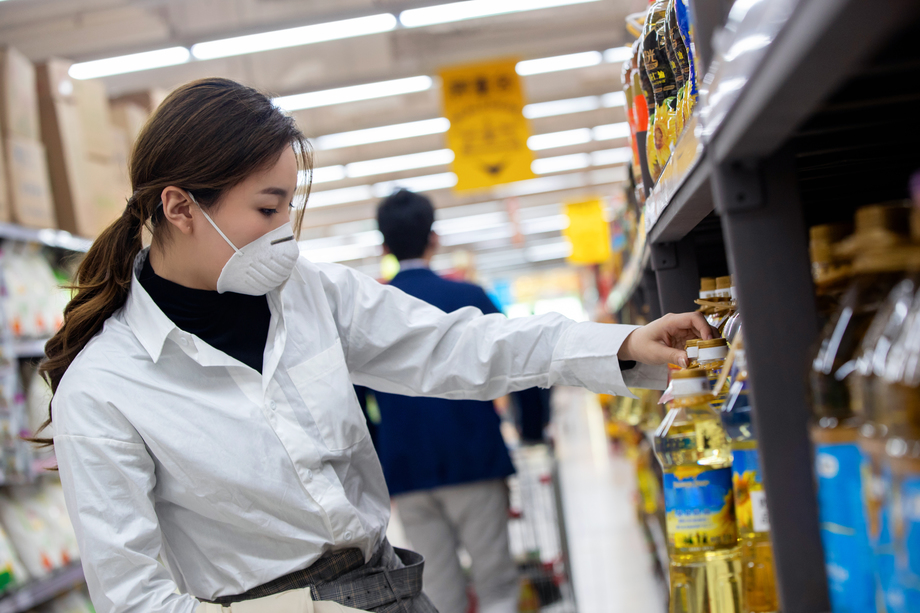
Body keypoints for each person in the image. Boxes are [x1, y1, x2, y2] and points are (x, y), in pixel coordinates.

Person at [35, 77, 709, 613]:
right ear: (181, 208)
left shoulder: (307, 292)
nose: (284, 235)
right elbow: (132, 597)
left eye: (289, 208)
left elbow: (454, 344)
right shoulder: (104, 386)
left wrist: (619, 341)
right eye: (267, 210)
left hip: (389, 588)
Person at [372, 189, 517, 613]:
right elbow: (517, 361)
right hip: (475, 459)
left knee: (436, 587)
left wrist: (381, 449)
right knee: (497, 582)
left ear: (383, 246)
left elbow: (354, 397)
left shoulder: (372, 308)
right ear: (433, 239)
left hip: (408, 470)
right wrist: (530, 428)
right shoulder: (469, 298)